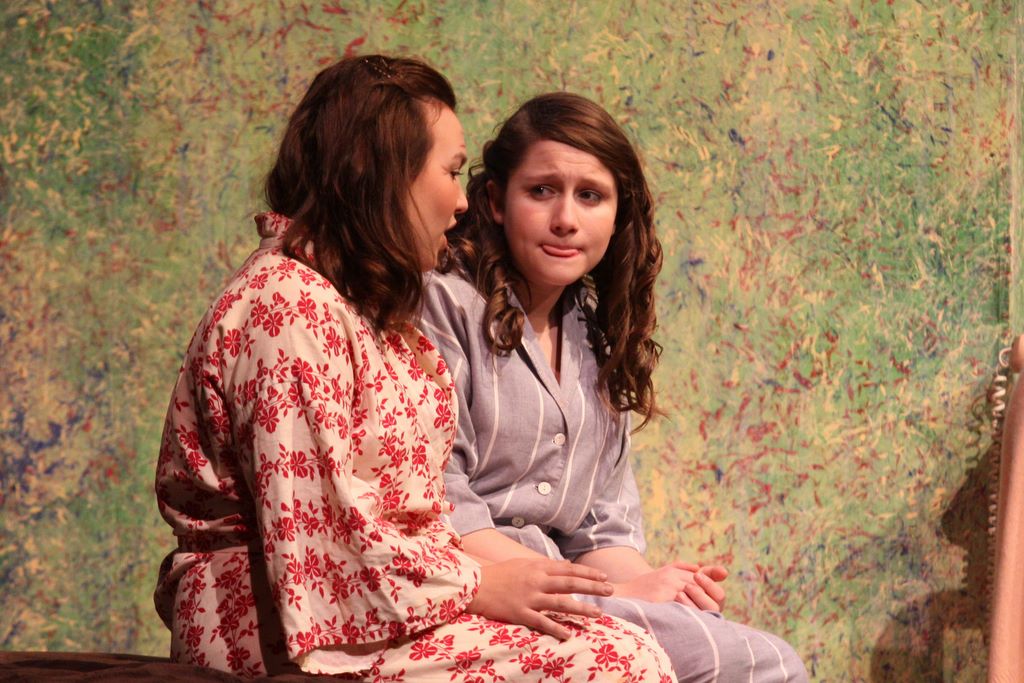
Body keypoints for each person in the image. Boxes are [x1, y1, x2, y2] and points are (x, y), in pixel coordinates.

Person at [153, 56, 676, 681]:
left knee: (640, 647)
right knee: (618, 662)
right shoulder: (287, 308)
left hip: (404, 603)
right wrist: (479, 585)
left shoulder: (360, 308)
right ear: (380, 175)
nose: (461, 202)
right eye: (450, 172)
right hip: (279, 627)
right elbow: (322, 548)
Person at [421, 92, 810, 682]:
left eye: (590, 196)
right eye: (542, 191)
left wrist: (658, 589)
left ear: (617, 211)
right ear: (496, 201)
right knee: (758, 666)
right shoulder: (445, 303)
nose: (566, 219)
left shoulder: (593, 332)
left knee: (750, 657)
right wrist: (619, 593)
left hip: (571, 593)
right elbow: (441, 503)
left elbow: (603, 525)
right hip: (478, 590)